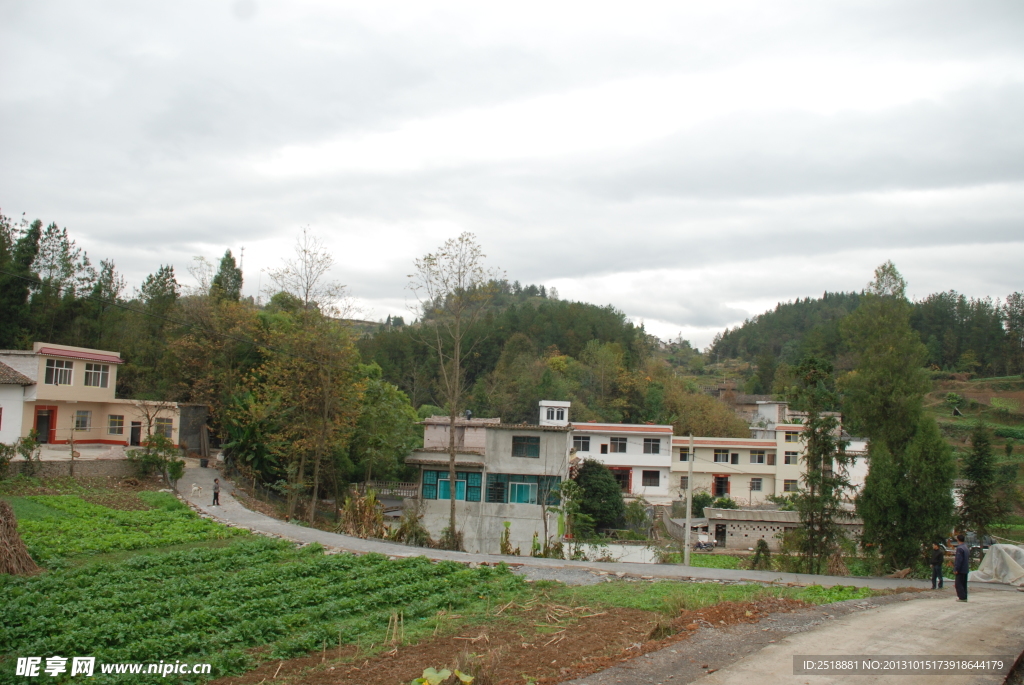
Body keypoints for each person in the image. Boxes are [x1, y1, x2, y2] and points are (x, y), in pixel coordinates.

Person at [953, 533, 969, 601]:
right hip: (965, 568)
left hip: (961, 569)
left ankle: (961, 597)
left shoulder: (960, 548)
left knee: (958, 584)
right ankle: (964, 596)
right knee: (964, 583)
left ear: (958, 539)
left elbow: (959, 559)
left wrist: (956, 568)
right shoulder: (966, 547)